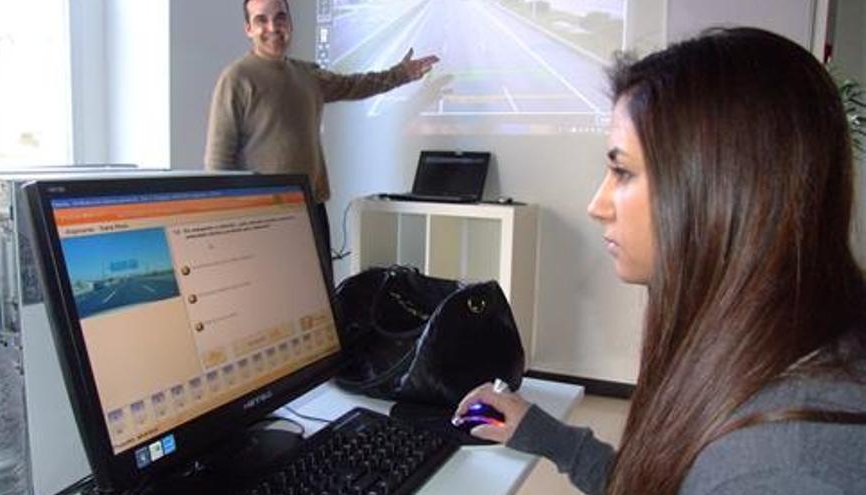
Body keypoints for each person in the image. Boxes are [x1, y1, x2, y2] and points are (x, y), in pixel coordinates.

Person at [454, 27, 866, 494]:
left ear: (721, 188)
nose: (598, 204)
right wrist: (552, 438)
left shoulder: (777, 466)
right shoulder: (772, 351)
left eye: (622, 171)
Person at [205, 0, 439, 281]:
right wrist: (226, 225)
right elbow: (218, 160)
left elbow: (356, 85)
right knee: (272, 298)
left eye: (280, 18)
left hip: (311, 208)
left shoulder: (307, 74)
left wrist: (401, 74)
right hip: (263, 216)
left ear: (290, 24)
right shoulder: (236, 78)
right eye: (261, 20)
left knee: (317, 295)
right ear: (248, 29)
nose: (272, 28)